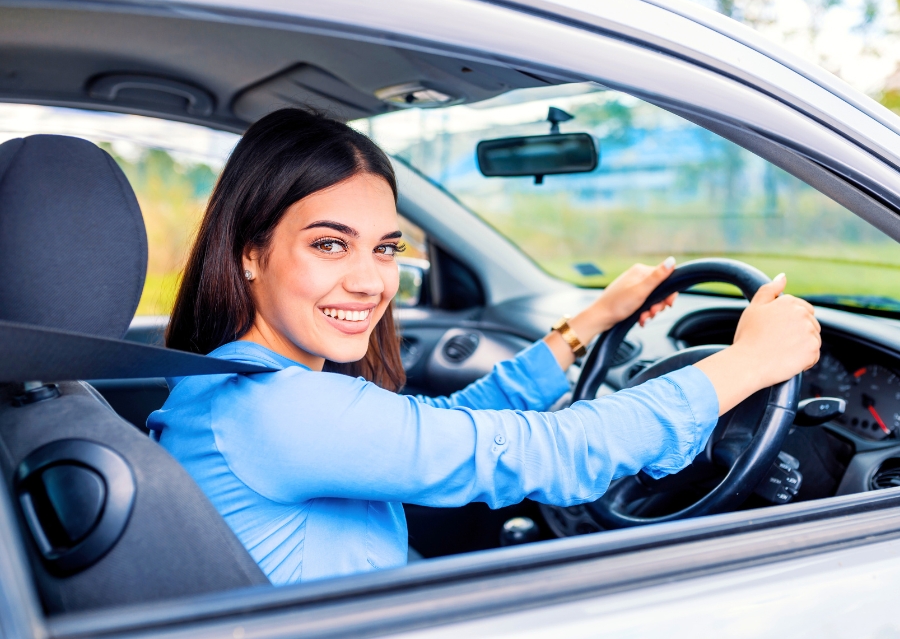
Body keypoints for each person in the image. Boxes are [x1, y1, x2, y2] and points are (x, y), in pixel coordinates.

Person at [149, 108, 821, 586]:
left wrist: (588, 322)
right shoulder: (280, 411)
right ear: (250, 253)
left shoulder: (227, 379)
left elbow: (443, 426)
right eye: (329, 243)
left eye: (385, 248)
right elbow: (549, 452)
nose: (368, 280)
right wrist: (747, 363)